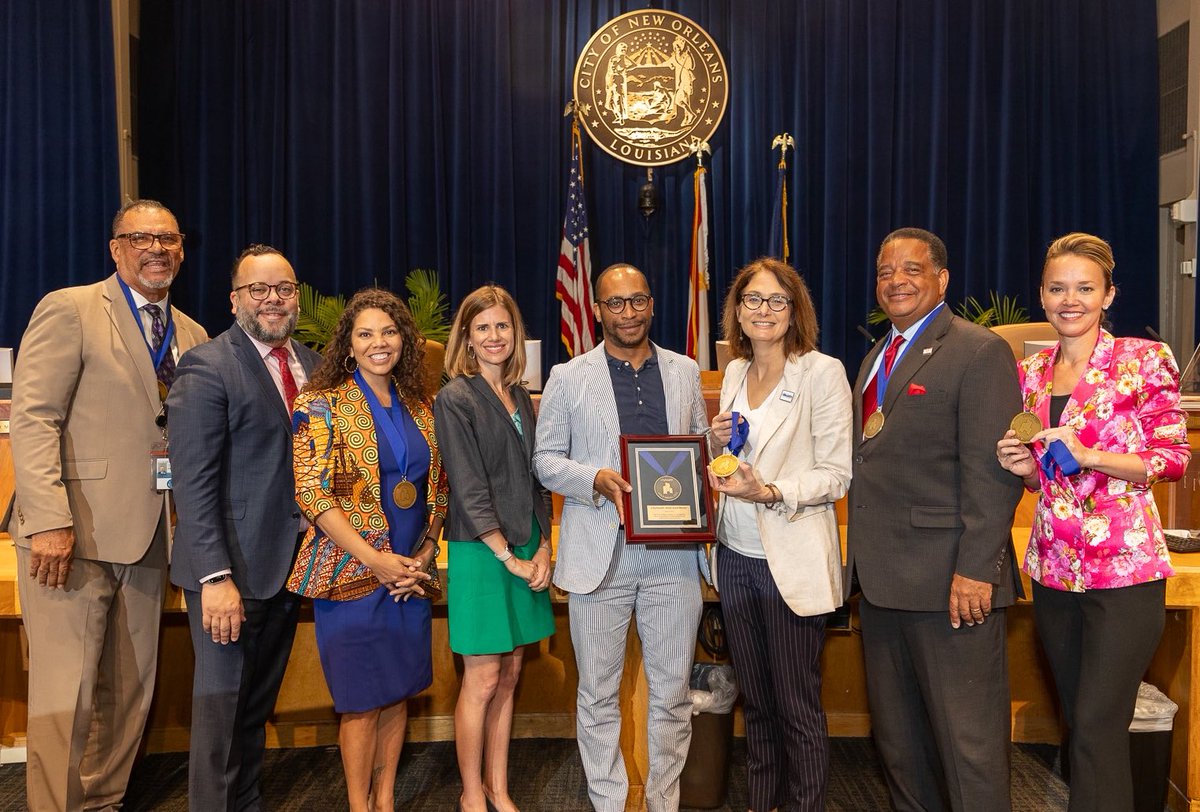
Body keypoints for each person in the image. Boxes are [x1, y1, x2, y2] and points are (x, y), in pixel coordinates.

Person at [8, 199, 208, 811]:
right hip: (71, 539)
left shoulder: (193, 334)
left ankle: (102, 804)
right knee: (64, 699)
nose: (156, 248)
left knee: (131, 694)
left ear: (180, 250)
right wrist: (48, 522)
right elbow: (34, 418)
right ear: (116, 248)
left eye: (168, 238)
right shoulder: (69, 309)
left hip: (153, 539)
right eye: (141, 237)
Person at [996, 232, 1190, 811]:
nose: (1069, 299)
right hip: (1055, 571)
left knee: (1101, 724)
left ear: (1109, 295)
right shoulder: (1029, 371)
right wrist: (1022, 468)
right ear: (1042, 294)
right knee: (1081, 725)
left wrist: (1090, 454)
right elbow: (1043, 477)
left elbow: (1172, 458)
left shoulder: (1142, 359)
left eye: (1085, 288)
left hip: (1125, 573)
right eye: (1057, 288)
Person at [844, 227, 1024, 812]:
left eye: (911, 269)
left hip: (952, 586)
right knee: (902, 747)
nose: (896, 281)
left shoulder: (979, 350)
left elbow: (993, 475)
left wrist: (977, 569)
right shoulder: (877, 355)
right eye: (885, 271)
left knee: (967, 749)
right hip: (883, 583)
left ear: (942, 279)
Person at [533, 263, 709, 812]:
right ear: (598, 309)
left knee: (672, 695)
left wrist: (717, 450)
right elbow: (544, 461)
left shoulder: (684, 371)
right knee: (597, 694)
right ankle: (608, 802)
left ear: (652, 305)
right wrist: (594, 479)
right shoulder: (569, 376)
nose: (627, 312)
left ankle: (663, 802)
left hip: (675, 558)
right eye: (616, 303)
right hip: (600, 557)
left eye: (637, 301)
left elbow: (699, 448)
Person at [167, 244, 322, 810]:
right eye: (258, 290)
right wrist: (214, 576)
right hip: (228, 574)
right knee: (220, 715)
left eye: (282, 288)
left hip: (287, 568)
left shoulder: (308, 361)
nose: (272, 299)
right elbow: (193, 479)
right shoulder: (208, 364)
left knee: (254, 709)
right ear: (235, 300)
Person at [285, 288, 448, 812]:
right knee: (359, 702)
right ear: (348, 346)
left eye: (389, 332)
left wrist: (423, 554)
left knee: (398, 692)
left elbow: (436, 490)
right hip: (351, 574)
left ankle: (386, 799)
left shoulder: (422, 405)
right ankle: (360, 805)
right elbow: (312, 492)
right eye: (366, 334)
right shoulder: (319, 403)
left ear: (404, 339)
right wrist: (376, 560)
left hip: (409, 576)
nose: (380, 343)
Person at [706, 258, 852, 811]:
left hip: (791, 558)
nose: (763, 311)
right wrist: (717, 441)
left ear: (795, 312)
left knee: (796, 705)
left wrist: (769, 491)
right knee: (757, 704)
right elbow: (731, 464)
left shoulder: (820, 371)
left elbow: (837, 473)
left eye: (776, 301)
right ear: (737, 313)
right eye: (752, 301)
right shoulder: (735, 375)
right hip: (736, 558)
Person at [434, 285, 555, 812]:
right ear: (466, 336)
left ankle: (499, 788)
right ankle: (470, 795)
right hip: (483, 553)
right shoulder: (454, 397)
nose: (493, 336)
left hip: (527, 547)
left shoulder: (521, 395)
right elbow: (468, 484)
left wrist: (545, 544)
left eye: (502, 326)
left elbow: (536, 478)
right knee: (482, 677)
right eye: (481, 327)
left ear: (515, 333)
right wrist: (509, 555)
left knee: (511, 672)